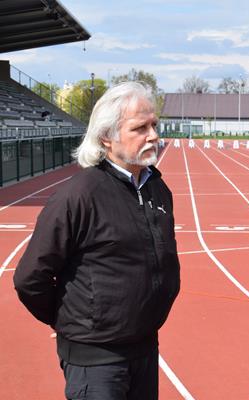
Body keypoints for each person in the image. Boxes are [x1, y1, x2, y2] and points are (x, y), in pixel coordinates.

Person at [13, 81, 180, 400]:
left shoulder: (158, 189)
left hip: (145, 348)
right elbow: (29, 278)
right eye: (140, 128)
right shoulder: (78, 195)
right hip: (97, 361)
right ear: (107, 136)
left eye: (154, 125)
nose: (154, 136)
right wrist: (66, 321)